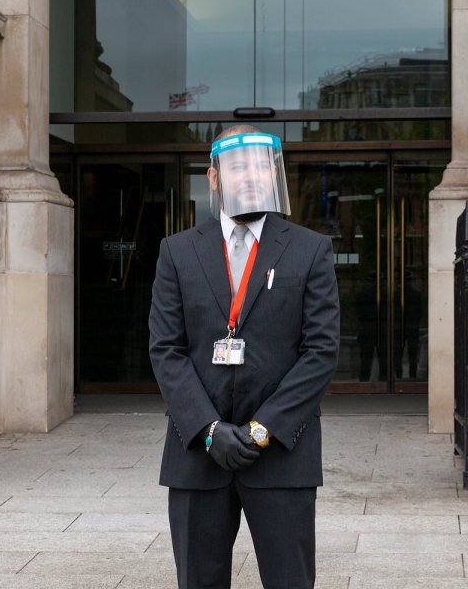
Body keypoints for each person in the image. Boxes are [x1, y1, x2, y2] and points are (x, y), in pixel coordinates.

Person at [148, 126, 340, 589]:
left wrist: (263, 429)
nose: (251, 175)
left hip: (280, 458)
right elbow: (166, 350)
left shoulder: (310, 250)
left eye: (260, 165)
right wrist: (209, 429)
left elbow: (321, 350)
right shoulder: (177, 252)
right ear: (214, 177)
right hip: (198, 455)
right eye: (238, 166)